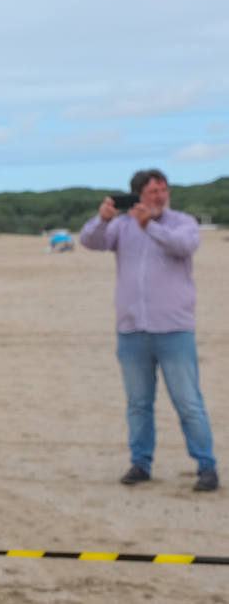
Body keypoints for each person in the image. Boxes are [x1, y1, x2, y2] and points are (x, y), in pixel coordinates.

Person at [79, 169, 217, 492]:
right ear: (137, 195)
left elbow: (185, 246)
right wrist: (102, 219)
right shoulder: (122, 226)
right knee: (138, 404)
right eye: (154, 191)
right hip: (132, 330)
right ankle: (140, 463)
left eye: (164, 190)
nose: (160, 196)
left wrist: (150, 226)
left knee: (188, 403)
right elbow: (89, 241)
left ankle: (206, 467)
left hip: (174, 329)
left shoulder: (181, 222)